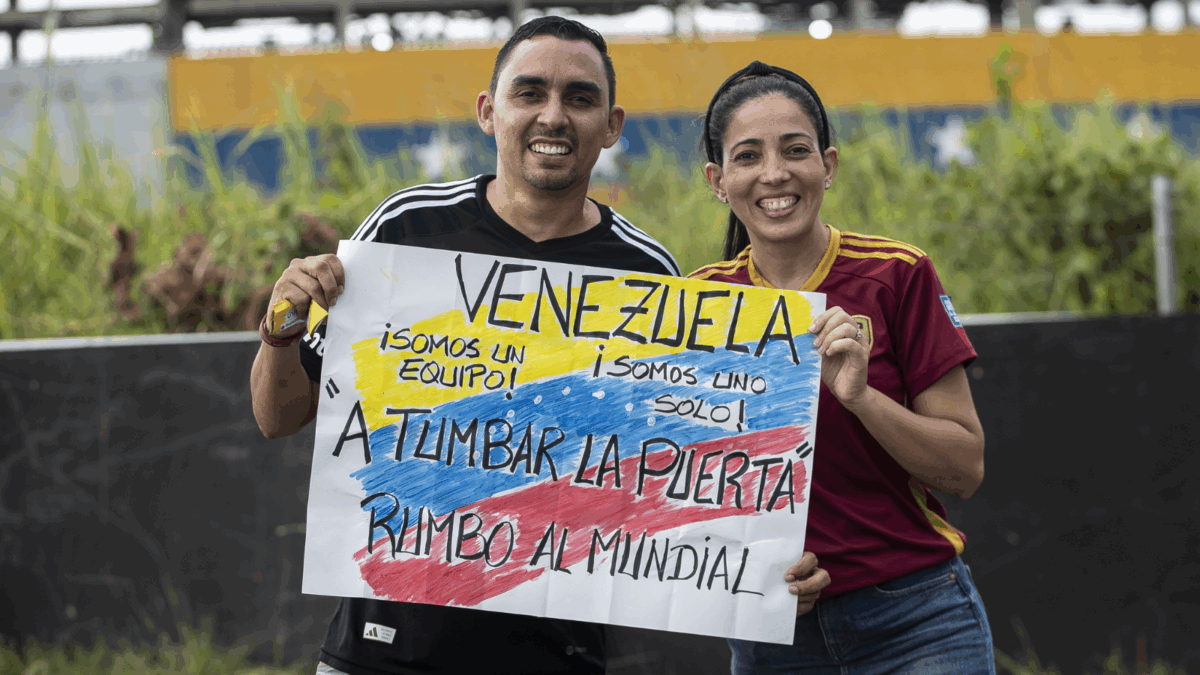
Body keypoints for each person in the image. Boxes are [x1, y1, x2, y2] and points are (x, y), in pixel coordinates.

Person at [249, 17, 683, 675]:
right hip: (382, 647)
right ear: (489, 111)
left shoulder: (648, 274)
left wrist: (760, 559)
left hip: (554, 654)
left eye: (580, 98)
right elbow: (275, 416)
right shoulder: (405, 230)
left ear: (612, 124)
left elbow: (684, 473)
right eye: (530, 93)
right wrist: (281, 329)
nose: (554, 116)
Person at [689, 61, 994, 674]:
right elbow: (666, 488)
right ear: (718, 180)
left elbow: (965, 468)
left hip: (917, 621)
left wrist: (861, 397)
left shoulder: (897, 274)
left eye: (795, 150)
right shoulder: (696, 305)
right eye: (748, 157)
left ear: (828, 165)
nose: (775, 173)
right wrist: (750, 570)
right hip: (772, 632)